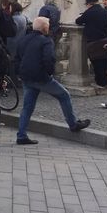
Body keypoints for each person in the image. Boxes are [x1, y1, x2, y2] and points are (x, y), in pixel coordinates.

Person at [15, 17, 90, 145]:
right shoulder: (46, 41)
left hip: (27, 77)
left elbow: (17, 58)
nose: (48, 27)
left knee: (27, 107)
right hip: (41, 77)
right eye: (48, 25)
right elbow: (49, 59)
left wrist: (20, 73)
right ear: (44, 28)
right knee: (64, 95)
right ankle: (73, 124)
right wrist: (49, 73)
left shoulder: (23, 39)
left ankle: (21, 135)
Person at [75, 0, 107, 88]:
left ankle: (100, 82)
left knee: (96, 62)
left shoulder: (90, 12)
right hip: (104, 40)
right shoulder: (104, 11)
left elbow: (78, 21)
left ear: (89, 4)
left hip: (94, 41)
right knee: (104, 61)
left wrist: (82, 16)